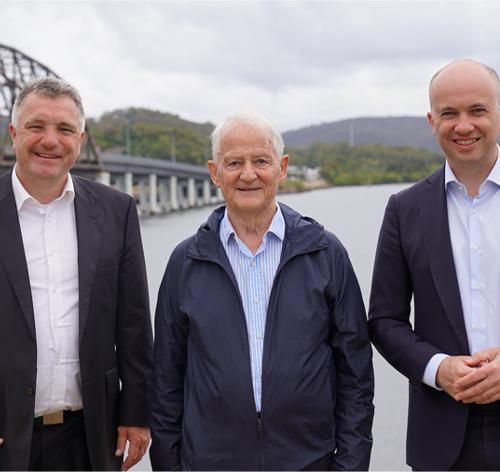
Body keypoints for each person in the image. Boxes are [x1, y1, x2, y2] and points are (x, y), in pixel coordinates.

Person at [150, 108, 374, 472]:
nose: (248, 174)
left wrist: (348, 466)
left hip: (309, 461)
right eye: (234, 162)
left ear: (282, 168)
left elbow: (357, 377)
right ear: (215, 173)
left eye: (261, 161)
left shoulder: (325, 253)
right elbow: (165, 383)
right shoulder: (186, 261)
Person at [0, 77, 153, 472]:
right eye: (37, 127)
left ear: (80, 140)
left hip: (90, 435)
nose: (50, 140)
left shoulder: (116, 210)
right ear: (14, 134)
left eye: (65, 129)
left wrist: (136, 414)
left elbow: (134, 325)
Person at [369, 59, 500, 472]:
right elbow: (384, 320)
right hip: (441, 441)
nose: (464, 126)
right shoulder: (403, 209)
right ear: (432, 121)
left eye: (477, 110)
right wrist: (438, 368)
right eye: (449, 113)